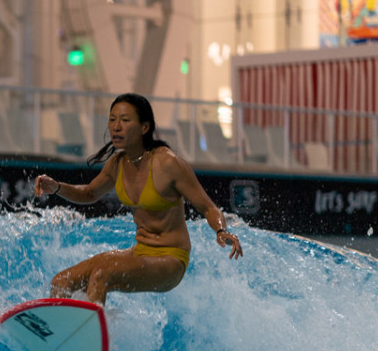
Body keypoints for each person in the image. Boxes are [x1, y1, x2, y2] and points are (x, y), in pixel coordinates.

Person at [33, 93, 243, 305]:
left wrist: (221, 230)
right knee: (61, 282)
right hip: (140, 252)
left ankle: (93, 332)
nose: (116, 126)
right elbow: (88, 193)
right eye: (112, 119)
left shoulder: (168, 164)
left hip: (171, 259)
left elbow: (207, 207)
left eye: (125, 120)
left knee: (102, 274)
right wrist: (57, 187)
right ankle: (66, 329)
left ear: (144, 127)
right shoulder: (117, 164)